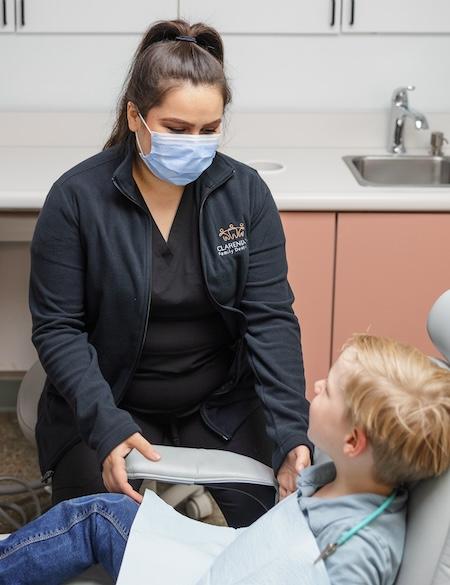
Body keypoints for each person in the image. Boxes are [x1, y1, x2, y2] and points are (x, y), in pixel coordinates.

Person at [29, 19, 312, 528]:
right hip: (110, 403)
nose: (195, 145)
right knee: (106, 532)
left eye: (209, 130)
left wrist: (292, 431)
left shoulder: (244, 195)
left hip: (220, 409)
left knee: (250, 537)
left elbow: (270, 318)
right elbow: (58, 328)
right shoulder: (76, 199)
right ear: (136, 116)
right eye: (178, 130)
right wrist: (106, 426)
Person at [1, 334, 450, 585]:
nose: (315, 386)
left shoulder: (358, 552)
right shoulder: (348, 479)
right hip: (220, 562)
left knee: (95, 517)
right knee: (108, 511)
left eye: (328, 390)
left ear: (354, 442)